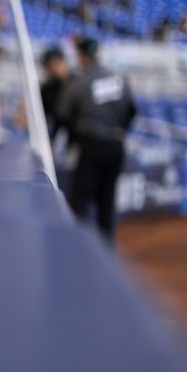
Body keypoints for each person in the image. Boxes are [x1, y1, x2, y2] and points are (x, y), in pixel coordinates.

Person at [57, 37, 137, 242]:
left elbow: (62, 113)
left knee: (80, 203)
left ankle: (78, 253)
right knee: (106, 202)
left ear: (82, 57)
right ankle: (106, 253)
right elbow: (132, 111)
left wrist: (72, 137)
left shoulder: (80, 82)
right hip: (115, 144)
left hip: (91, 146)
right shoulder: (118, 78)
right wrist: (121, 130)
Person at [39, 46, 72, 141]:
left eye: (54, 65)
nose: (52, 70)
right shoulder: (47, 89)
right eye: (48, 67)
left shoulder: (77, 83)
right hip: (57, 136)